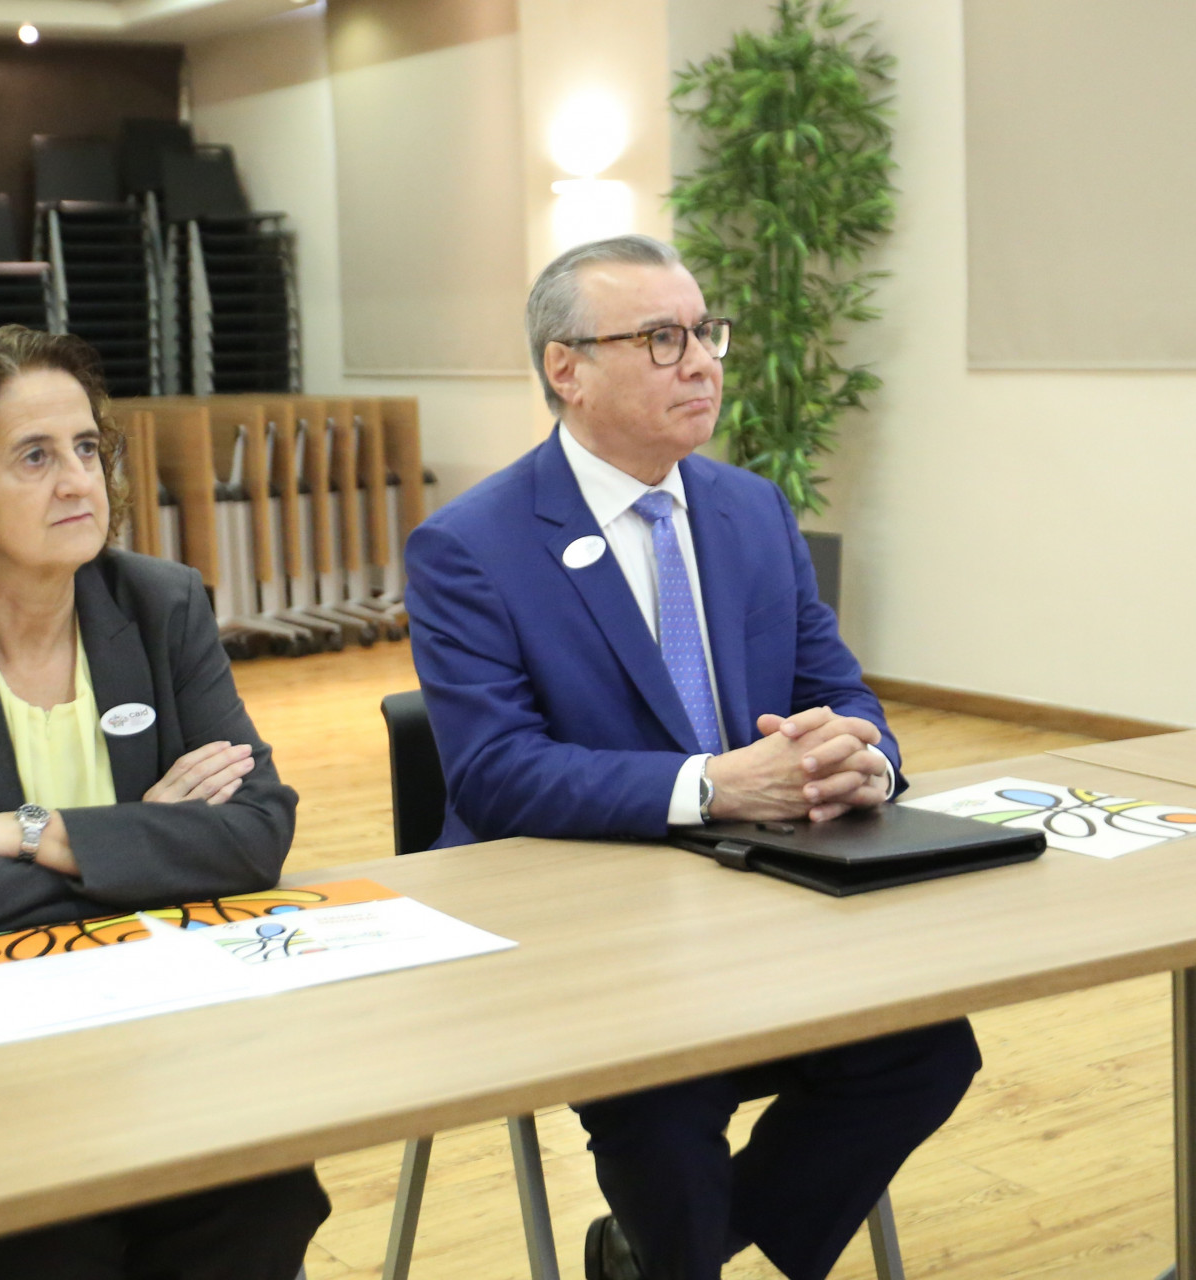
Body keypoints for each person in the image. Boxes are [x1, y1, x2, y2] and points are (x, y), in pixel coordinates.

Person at [403, 235, 979, 1280]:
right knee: (666, 1119)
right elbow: (493, 771)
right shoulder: (471, 545)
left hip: (765, 906)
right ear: (566, 369)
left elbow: (838, 688)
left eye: (706, 332)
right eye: (662, 338)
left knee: (928, 1048)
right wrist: (709, 785)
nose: (703, 361)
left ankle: (658, 1257)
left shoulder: (750, 508)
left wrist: (867, 760)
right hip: (581, 936)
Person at [0, 325, 328, 1280]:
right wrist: (145, 850)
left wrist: (25, 832)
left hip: (152, 1033)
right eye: (34, 457)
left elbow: (257, 832)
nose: (79, 481)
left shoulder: (161, 604)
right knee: (40, 1242)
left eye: (86, 448)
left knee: (264, 1195)